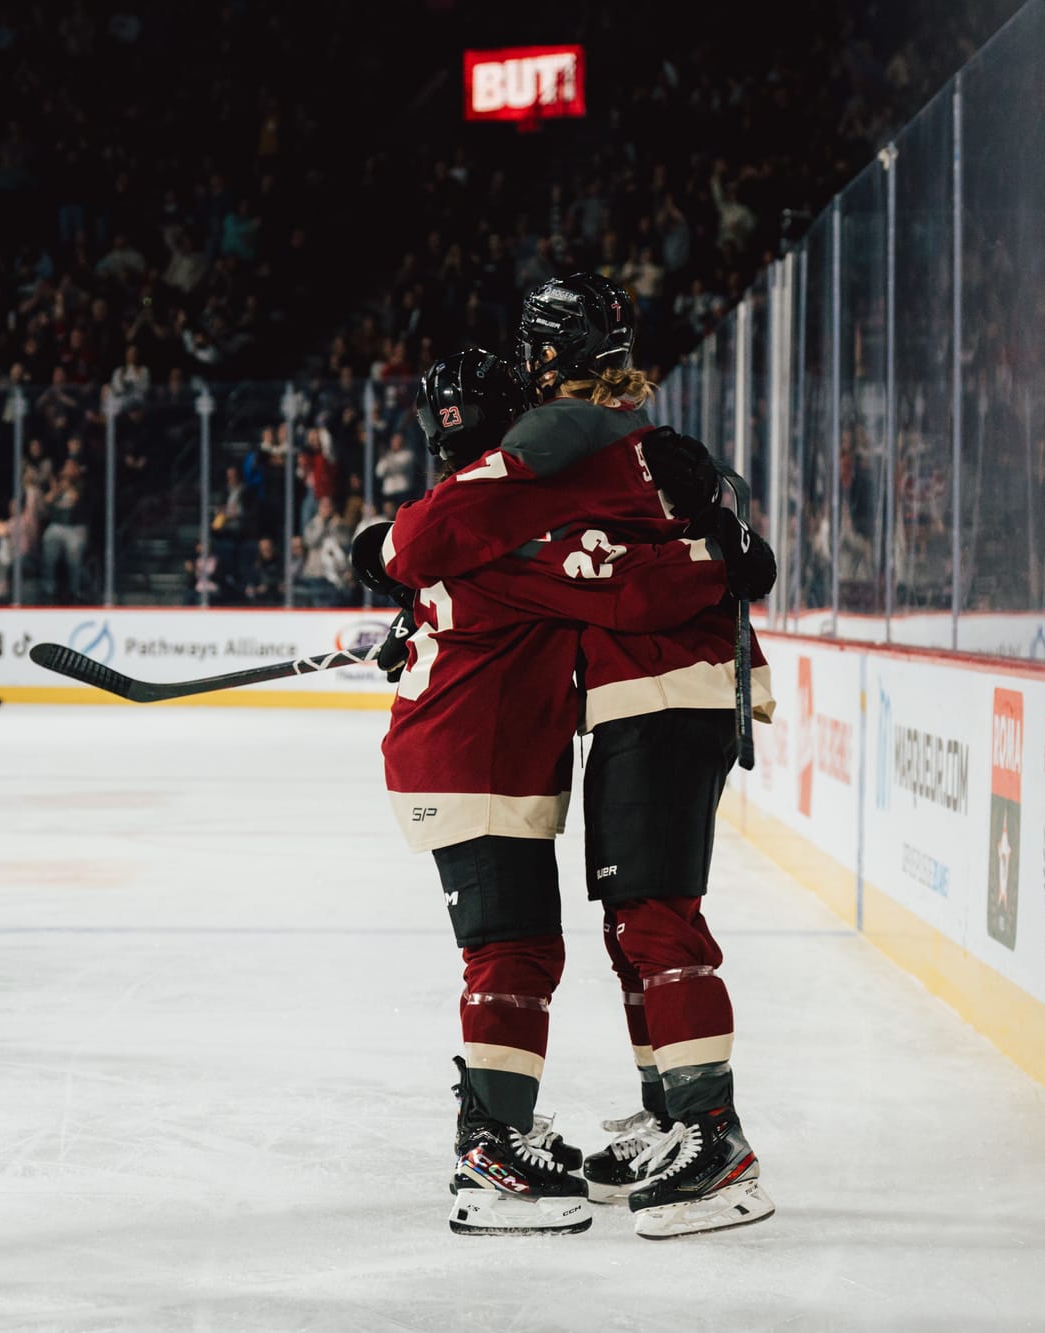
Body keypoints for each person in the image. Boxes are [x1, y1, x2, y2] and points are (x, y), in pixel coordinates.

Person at [372, 275, 778, 1240]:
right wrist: (733, 546)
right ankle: (670, 1121)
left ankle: (709, 1141)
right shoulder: (615, 442)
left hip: (657, 694)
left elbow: (444, 538)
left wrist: (390, 547)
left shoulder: (557, 451)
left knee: (643, 922)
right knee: (615, 928)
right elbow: (633, 573)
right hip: (628, 703)